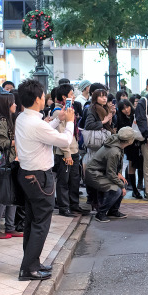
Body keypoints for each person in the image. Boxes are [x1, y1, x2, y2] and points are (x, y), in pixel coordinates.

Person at [15, 79, 75, 281]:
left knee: (32, 222)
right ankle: (28, 269)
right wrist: (71, 122)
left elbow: (44, 130)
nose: (44, 98)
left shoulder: (23, 118)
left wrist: (58, 119)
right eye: (43, 96)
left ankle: (32, 263)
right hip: (40, 177)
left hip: (28, 176)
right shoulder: (35, 123)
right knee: (41, 223)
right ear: (38, 99)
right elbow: (65, 140)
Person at [0, 92, 23, 239]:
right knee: (3, 198)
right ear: (6, 104)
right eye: (13, 102)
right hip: (4, 164)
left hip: (11, 163)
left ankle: (10, 227)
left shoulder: (9, 119)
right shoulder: (1, 121)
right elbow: (1, 143)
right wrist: (18, 142)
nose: (15, 105)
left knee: (12, 196)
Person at [85, 127, 135, 222]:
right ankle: (101, 213)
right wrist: (121, 186)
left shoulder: (117, 142)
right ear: (129, 140)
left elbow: (116, 165)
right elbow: (110, 174)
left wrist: (119, 173)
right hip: (94, 175)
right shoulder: (114, 151)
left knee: (122, 183)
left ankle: (113, 211)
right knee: (117, 190)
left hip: (100, 173)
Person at [52, 84, 83, 217]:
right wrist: (67, 153)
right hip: (64, 152)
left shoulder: (69, 110)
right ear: (64, 97)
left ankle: (74, 205)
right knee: (64, 181)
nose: (74, 96)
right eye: (71, 94)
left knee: (74, 179)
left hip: (74, 150)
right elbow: (61, 134)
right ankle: (64, 207)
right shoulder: (58, 112)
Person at [116, 100, 143, 199]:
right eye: (123, 108)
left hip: (139, 142)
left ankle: (140, 185)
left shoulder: (136, 115)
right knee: (132, 166)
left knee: (141, 165)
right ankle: (134, 189)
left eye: (127, 107)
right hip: (129, 145)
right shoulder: (119, 119)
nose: (126, 110)